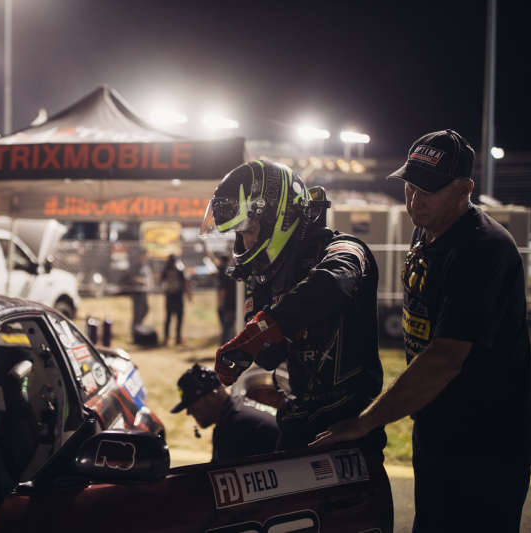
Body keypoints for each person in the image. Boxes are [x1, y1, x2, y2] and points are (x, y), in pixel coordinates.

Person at [310, 130, 531, 533]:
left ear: (464, 190)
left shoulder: (483, 250)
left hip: (488, 444)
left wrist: (367, 421)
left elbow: (445, 358)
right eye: (410, 187)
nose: (415, 201)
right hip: (439, 429)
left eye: (429, 191)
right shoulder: (428, 227)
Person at [199, 160, 386, 456]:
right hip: (296, 423)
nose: (244, 242)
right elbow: (269, 356)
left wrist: (262, 327)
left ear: (280, 216)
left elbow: (333, 283)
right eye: (238, 234)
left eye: (248, 229)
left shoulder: (343, 248)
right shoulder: (266, 275)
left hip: (348, 426)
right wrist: (259, 302)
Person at [171, 363, 278, 462]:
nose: (189, 412)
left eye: (191, 404)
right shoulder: (240, 408)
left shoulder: (233, 427)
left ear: (213, 396)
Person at [160, 254, 191, 345]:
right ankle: (178, 338)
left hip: (169, 296)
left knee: (168, 318)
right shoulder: (179, 269)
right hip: (178, 297)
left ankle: (166, 338)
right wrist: (188, 294)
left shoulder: (166, 269)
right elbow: (185, 281)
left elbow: (161, 279)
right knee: (179, 318)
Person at [125, 248, 153, 331]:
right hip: (137, 292)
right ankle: (135, 329)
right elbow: (132, 278)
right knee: (137, 312)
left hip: (144, 292)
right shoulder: (137, 266)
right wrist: (144, 281)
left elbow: (149, 278)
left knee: (145, 309)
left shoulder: (147, 266)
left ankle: (138, 325)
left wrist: (151, 284)